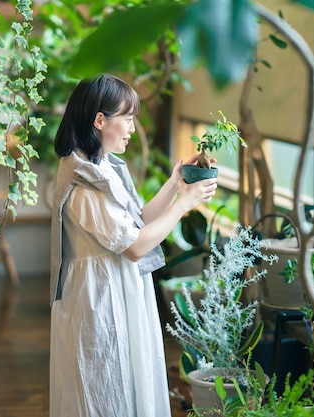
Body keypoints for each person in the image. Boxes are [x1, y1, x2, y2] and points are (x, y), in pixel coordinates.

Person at [49, 73, 218, 417]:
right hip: (99, 299)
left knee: (126, 382)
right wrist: (184, 204)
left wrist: (175, 183)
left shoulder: (98, 166)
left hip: (114, 289)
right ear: (100, 120)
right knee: (106, 390)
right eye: (126, 118)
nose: (130, 127)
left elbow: (135, 221)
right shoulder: (83, 185)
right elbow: (135, 246)